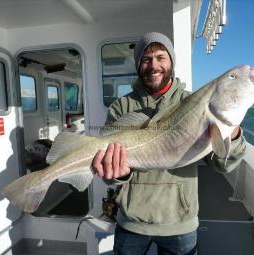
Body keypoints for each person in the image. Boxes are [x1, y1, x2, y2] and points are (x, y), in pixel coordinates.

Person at [92, 32, 246, 255]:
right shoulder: (121, 107)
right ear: (138, 65)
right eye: (146, 59)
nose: (153, 65)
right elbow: (110, 175)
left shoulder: (192, 102)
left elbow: (222, 165)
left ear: (171, 62)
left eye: (161, 57)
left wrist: (231, 134)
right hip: (131, 222)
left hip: (179, 223)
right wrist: (119, 174)